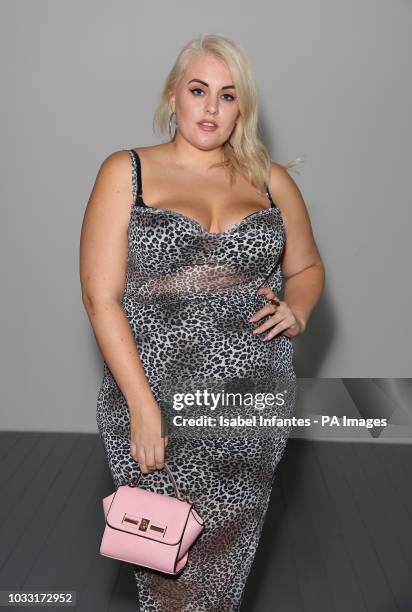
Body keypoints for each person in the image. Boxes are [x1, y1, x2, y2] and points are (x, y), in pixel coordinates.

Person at [80, 33, 324, 612]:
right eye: (198, 90)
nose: (211, 108)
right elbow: (99, 297)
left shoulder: (271, 181)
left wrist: (300, 310)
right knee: (165, 564)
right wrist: (142, 406)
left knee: (224, 567)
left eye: (228, 95)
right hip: (155, 399)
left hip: (251, 406)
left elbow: (309, 266)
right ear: (174, 95)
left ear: (243, 107)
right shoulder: (127, 170)